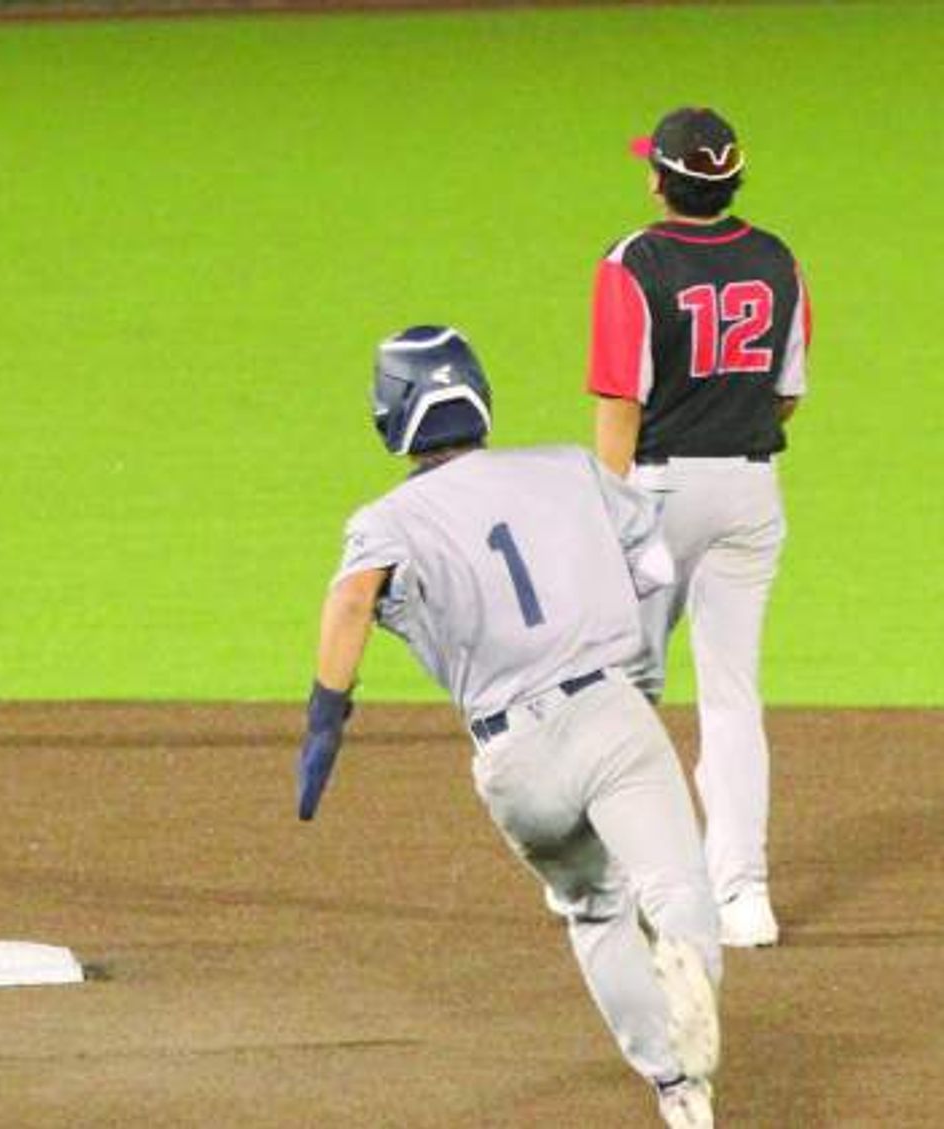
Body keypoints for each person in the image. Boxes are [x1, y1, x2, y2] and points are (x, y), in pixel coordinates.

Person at [296, 325, 722, 1128]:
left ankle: (674, 1087)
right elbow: (656, 561)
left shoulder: (385, 519)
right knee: (675, 886)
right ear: (479, 396)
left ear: (391, 418)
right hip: (606, 711)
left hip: (512, 760)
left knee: (594, 906)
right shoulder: (569, 468)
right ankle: (687, 969)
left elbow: (353, 599)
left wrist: (326, 721)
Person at [586, 107, 812, 947]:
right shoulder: (778, 258)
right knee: (731, 693)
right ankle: (743, 894)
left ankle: (615, 881)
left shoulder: (631, 262)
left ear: (660, 178)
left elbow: (620, 401)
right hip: (750, 494)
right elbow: (788, 391)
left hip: (655, 492)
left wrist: (605, 514)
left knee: (625, 689)